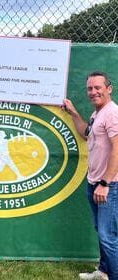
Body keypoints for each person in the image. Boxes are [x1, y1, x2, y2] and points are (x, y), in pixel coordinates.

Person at [63, 71, 118, 280]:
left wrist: (105, 183)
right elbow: (86, 132)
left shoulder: (112, 113)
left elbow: (117, 149)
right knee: (102, 232)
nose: (93, 92)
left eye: (98, 87)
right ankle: (103, 272)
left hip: (108, 185)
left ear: (109, 89)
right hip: (94, 183)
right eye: (90, 88)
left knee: (108, 236)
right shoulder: (98, 113)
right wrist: (74, 113)